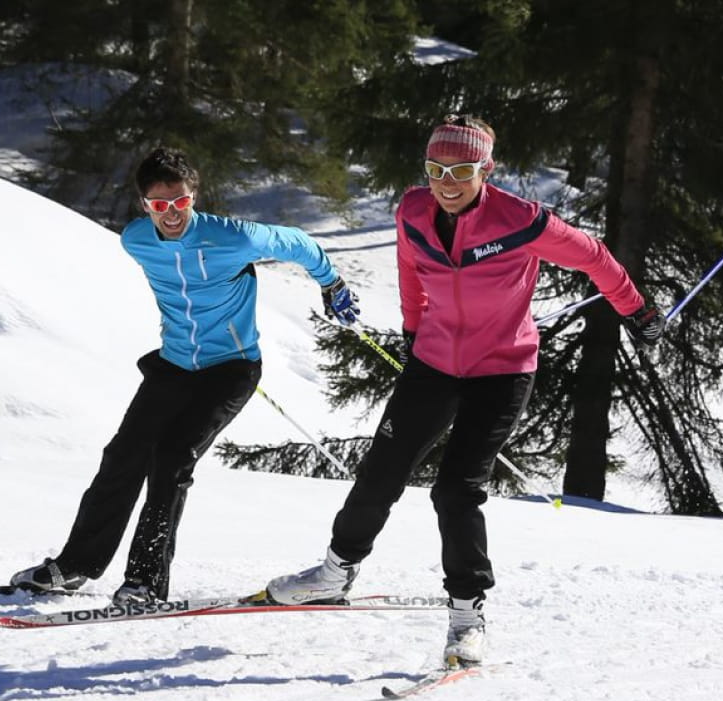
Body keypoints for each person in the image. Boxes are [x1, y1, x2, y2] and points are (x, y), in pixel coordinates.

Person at [265, 114, 666, 666]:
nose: (447, 182)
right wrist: (413, 328)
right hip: (434, 360)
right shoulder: (412, 211)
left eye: (460, 170)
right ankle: (334, 573)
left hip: (502, 371)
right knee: (383, 466)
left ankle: (466, 615)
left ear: (486, 169)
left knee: (455, 490)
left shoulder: (521, 220)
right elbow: (410, 269)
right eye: (436, 169)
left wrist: (637, 310)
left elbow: (594, 256)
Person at [10, 146, 358, 605]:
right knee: (122, 457)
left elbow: (297, 242)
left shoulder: (233, 237)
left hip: (231, 369)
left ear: (194, 197)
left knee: (172, 458)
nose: (171, 214)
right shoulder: (135, 240)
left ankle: (144, 583)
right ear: (144, 205)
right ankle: (74, 566)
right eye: (160, 205)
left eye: (180, 202)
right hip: (173, 365)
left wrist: (331, 283)